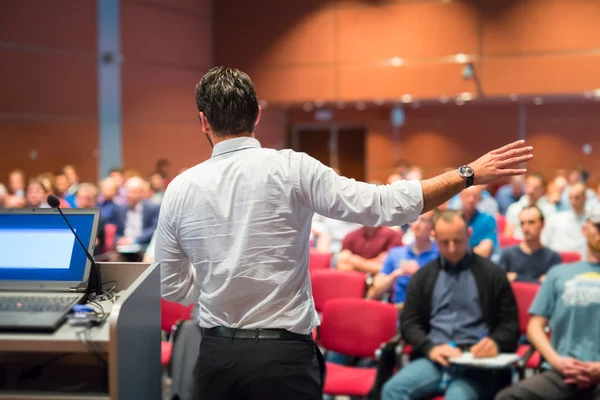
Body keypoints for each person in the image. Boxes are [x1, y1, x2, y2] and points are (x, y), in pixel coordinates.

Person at [155, 66, 533, 400]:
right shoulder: (291, 168)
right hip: (284, 357)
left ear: (203, 121)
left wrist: (216, 288)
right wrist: (465, 175)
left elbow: (170, 285)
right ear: (256, 114)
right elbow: (385, 205)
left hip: (217, 353)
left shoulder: (180, 188)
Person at [382, 210, 519, 400]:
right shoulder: (423, 277)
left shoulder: (492, 274)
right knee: (392, 390)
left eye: (458, 241)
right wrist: (430, 347)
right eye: (445, 242)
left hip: (475, 362)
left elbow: (510, 325)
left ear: (469, 235)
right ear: (434, 237)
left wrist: (495, 342)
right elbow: (409, 323)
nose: (452, 248)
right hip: (435, 357)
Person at [494, 204, 600, 400]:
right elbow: (535, 326)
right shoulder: (559, 273)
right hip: (560, 371)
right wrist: (557, 361)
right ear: (586, 229)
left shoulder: (553, 259)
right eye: (598, 227)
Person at [368, 211, 438, 306]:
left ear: (433, 226)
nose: (416, 224)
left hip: (426, 311)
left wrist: (419, 275)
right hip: (398, 311)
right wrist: (395, 275)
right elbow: (374, 293)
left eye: (423, 220)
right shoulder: (396, 253)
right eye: (414, 219)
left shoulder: (439, 255)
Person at [499, 205, 561, 283]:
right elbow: (498, 283)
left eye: (531, 222)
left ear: (542, 224)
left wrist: (516, 277)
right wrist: (538, 281)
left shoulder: (553, 257)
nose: (526, 228)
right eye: (522, 223)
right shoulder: (507, 255)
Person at [542, 182, 588, 259]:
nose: (573, 201)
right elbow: (544, 243)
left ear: (585, 198)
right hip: (556, 261)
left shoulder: (591, 223)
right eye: (570, 197)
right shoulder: (555, 218)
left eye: (577, 197)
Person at [504, 173, 556, 239]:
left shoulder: (550, 209)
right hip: (518, 244)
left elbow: (550, 234)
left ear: (543, 189)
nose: (531, 191)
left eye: (535, 188)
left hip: (540, 245)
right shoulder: (514, 208)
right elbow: (508, 235)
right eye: (528, 186)